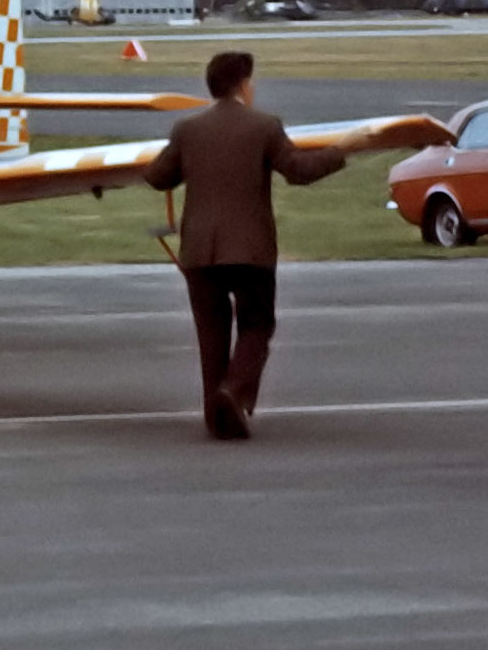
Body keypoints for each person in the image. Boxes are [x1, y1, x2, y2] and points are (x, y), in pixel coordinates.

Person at [144, 51, 375, 441]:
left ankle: (215, 416)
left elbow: (157, 177)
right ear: (243, 85)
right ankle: (232, 394)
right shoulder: (265, 126)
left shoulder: (187, 129)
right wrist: (344, 148)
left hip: (199, 252)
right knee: (256, 325)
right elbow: (299, 173)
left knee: (211, 335)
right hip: (250, 251)